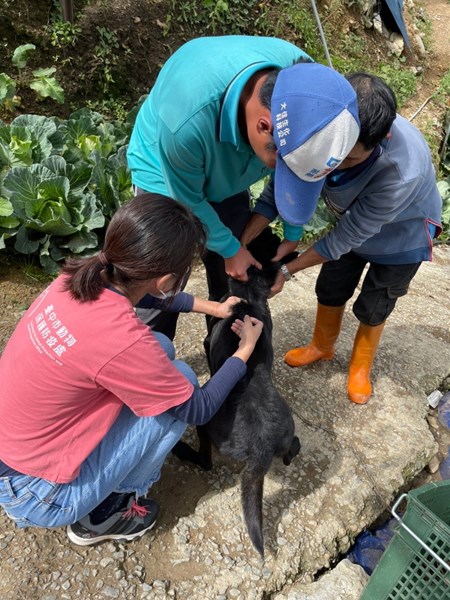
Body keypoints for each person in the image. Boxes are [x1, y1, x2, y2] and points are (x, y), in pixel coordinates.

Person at [0, 193, 264, 546]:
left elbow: (150, 294)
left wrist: (214, 309)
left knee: (163, 348)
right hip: (36, 493)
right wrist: (245, 349)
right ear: (168, 279)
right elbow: (197, 409)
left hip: (13, 455)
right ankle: (105, 513)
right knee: (182, 381)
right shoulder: (122, 339)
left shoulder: (77, 276)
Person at [127, 35, 360, 338]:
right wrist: (229, 247)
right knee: (161, 281)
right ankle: (149, 356)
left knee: (233, 271)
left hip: (230, 168)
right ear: (264, 127)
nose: (284, 173)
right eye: (283, 166)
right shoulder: (185, 122)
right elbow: (188, 200)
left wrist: (291, 233)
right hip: (167, 175)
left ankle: (222, 343)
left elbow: (302, 166)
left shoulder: (308, 90)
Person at [270, 72, 442, 404]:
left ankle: (360, 367)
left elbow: (345, 237)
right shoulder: (331, 126)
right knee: (330, 287)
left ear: (382, 138)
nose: (335, 167)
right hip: (354, 223)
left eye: (349, 160)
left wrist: (287, 271)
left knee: (375, 304)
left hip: (401, 240)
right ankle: (321, 346)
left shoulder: (401, 171)